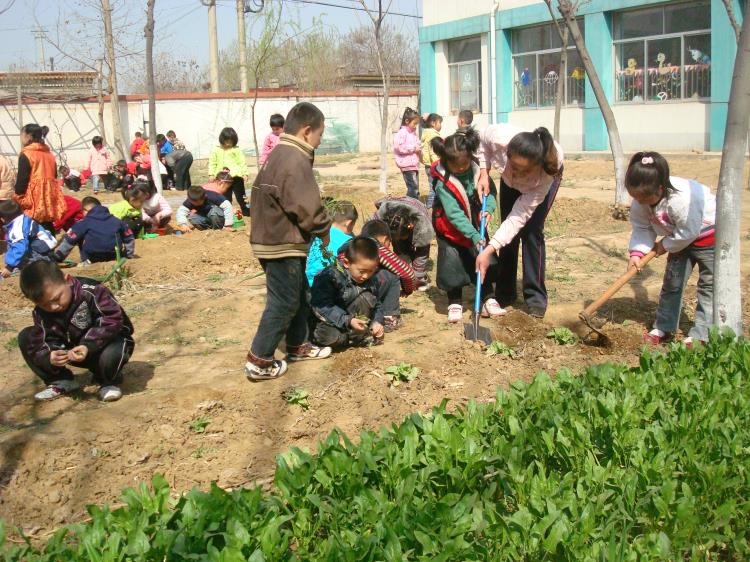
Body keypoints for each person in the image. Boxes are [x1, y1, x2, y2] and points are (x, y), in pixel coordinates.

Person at [246, 101, 333, 381]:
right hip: (281, 241)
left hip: (273, 236)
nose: (319, 142)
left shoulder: (280, 153)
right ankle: (259, 360)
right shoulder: (294, 159)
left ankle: (297, 345)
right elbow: (306, 205)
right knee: (283, 302)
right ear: (307, 131)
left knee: (299, 295)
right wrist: (324, 230)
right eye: (319, 135)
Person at [626, 152, 716, 346]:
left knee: (708, 287)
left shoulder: (681, 200)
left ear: (660, 188)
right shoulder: (642, 197)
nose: (639, 202)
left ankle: (701, 333)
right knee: (672, 285)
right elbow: (642, 227)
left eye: (644, 198)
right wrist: (637, 253)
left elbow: (689, 231)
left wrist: (663, 245)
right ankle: (664, 327)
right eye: (635, 197)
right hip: (678, 238)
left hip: (708, 237)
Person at [475, 125, 564, 319]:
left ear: (535, 166)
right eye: (512, 165)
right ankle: (505, 292)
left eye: (522, 170)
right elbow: (481, 140)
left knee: (531, 232)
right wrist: (484, 172)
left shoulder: (546, 173)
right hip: (510, 183)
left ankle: (535, 298)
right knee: (508, 234)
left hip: (537, 186)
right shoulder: (499, 137)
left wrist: (488, 251)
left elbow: (517, 218)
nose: (515, 173)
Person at [17, 260, 134, 402]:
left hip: (104, 344)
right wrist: (50, 356)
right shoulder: (41, 313)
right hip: (72, 352)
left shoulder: (92, 292)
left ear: (67, 280)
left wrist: (88, 345)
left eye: (57, 298)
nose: (53, 307)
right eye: (45, 304)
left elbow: (113, 320)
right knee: (26, 337)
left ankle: (107, 381)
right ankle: (61, 381)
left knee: (113, 352)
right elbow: (42, 339)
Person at [431, 127, 503, 323]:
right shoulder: (443, 182)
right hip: (450, 227)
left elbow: (490, 193)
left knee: (483, 256)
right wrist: (473, 236)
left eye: (464, 164)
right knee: (453, 260)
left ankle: (488, 297)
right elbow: (454, 214)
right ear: (446, 161)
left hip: (476, 221)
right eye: (456, 166)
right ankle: (455, 301)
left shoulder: (479, 170)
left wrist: (488, 209)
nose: (462, 169)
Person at [310, 236, 386, 349]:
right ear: (346, 263)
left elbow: (377, 305)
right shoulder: (331, 276)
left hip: (354, 324)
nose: (366, 276)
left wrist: (376, 322)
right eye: (362, 271)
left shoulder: (372, 279)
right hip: (330, 321)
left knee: (366, 296)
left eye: (371, 271)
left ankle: (356, 336)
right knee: (333, 337)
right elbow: (321, 307)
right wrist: (348, 320)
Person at [357, 219, 415, 332]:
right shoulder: (376, 247)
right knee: (391, 274)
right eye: (389, 243)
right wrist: (408, 290)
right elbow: (407, 273)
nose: (389, 247)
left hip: (345, 294)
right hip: (362, 293)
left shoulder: (352, 244)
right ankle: (390, 318)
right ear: (385, 239)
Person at [373, 196, 434, 291]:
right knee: (399, 248)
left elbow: (422, 254)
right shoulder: (382, 215)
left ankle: (419, 276)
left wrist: (417, 277)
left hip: (417, 217)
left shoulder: (423, 226)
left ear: (411, 228)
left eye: (401, 237)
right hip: (398, 221)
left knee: (419, 254)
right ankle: (407, 267)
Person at [14, 123, 66, 231]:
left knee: (32, 229)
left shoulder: (27, 154)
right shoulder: (49, 155)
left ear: (28, 136)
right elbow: (54, 176)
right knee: (47, 225)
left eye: (22, 135)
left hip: (34, 198)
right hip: (49, 196)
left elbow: (22, 181)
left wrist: (18, 196)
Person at [53, 196, 135, 264]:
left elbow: (69, 240)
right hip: (115, 257)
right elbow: (129, 238)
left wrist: (58, 257)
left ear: (85, 211)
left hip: (92, 259)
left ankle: (85, 261)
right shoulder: (117, 221)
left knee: (79, 233)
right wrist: (128, 255)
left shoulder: (83, 223)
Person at [306, 200, 357, 286]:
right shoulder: (348, 242)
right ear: (349, 223)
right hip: (328, 285)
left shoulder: (319, 235)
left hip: (309, 283)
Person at [1, 200, 56, 278]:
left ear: (2, 219)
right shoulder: (21, 218)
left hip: (40, 253)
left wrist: (9, 267)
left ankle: (26, 270)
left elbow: (20, 247)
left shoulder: (18, 228)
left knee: (22, 253)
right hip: (41, 247)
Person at [208, 127, 250, 216]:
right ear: (222, 139)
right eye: (227, 141)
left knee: (242, 196)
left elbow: (241, 162)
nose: (229, 144)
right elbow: (212, 162)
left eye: (231, 142)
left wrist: (245, 173)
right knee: (225, 197)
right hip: (223, 179)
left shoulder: (236, 149)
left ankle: (247, 210)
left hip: (236, 177)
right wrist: (211, 174)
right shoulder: (216, 149)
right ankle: (228, 213)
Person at [393, 107, 422, 199]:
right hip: (406, 165)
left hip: (414, 165)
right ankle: (411, 206)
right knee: (413, 188)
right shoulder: (402, 133)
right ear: (406, 121)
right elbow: (399, 147)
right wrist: (413, 148)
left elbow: (417, 144)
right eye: (414, 123)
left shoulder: (413, 133)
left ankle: (414, 206)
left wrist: (419, 147)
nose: (415, 126)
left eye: (417, 124)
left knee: (415, 187)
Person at [420, 113, 443, 208]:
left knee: (432, 185)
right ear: (433, 123)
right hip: (435, 165)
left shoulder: (426, 134)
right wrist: (439, 163)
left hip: (428, 165)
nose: (441, 125)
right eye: (440, 123)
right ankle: (430, 206)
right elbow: (433, 152)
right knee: (434, 187)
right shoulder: (433, 136)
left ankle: (434, 204)